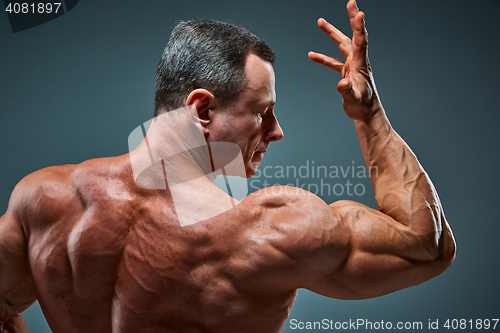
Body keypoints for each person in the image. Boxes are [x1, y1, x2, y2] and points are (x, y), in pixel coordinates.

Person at [0, 0, 455, 332]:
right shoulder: (265, 230)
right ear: (202, 109)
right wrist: (370, 114)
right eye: (262, 111)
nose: (275, 132)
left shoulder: (42, 200)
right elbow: (426, 246)